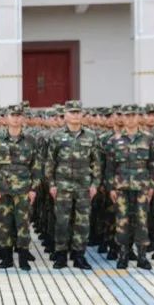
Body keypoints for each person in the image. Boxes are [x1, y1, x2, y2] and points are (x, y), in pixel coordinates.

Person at [45, 101, 100, 269]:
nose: (76, 115)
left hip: (84, 186)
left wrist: (95, 184)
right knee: (62, 221)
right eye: (72, 112)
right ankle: (61, 255)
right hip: (63, 186)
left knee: (82, 222)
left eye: (78, 112)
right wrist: (51, 184)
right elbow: (50, 162)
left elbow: (96, 162)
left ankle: (79, 256)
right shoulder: (56, 136)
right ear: (66, 115)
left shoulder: (91, 136)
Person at [105, 105, 154, 270]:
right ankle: (123, 255)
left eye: (133, 115)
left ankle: (142, 256)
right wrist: (111, 187)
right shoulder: (114, 140)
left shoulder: (148, 138)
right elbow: (110, 166)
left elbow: (153, 164)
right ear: (123, 119)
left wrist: (152, 186)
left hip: (142, 187)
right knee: (122, 221)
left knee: (141, 220)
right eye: (127, 116)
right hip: (121, 188)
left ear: (138, 117)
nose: (130, 119)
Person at [0, 105, 40, 271]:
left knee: (23, 224)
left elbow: (37, 167)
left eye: (19, 115)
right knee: (4, 224)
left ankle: (23, 258)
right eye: (13, 115)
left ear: (23, 118)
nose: (16, 118)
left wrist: (34, 189)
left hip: (24, 190)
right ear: (6, 118)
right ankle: (6, 258)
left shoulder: (31, 140)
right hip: (4, 190)